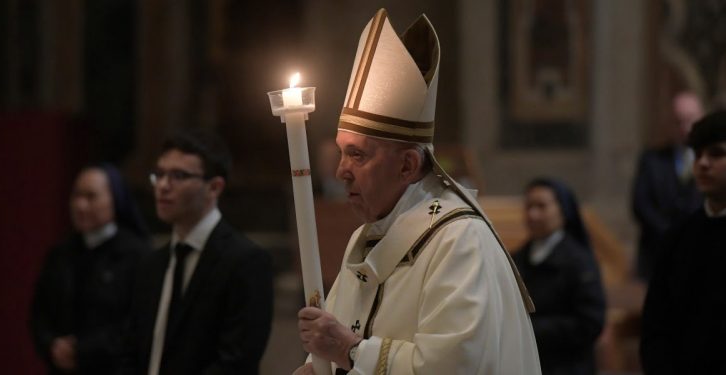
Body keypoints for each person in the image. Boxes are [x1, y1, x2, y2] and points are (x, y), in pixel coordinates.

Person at [294, 9, 541, 374]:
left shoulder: (459, 242)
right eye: (342, 151)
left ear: (408, 165)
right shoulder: (367, 237)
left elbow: (457, 366)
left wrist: (350, 351)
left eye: (357, 154)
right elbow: (330, 348)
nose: (341, 172)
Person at [122, 129, 273, 375]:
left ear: (214, 187)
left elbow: (237, 361)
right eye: (159, 175)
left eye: (178, 176)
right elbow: (131, 349)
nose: (162, 186)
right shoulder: (151, 264)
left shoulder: (246, 261)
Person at [30, 164, 151, 374]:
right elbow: (39, 314)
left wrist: (83, 351)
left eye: (91, 196)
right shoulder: (61, 254)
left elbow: (137, 323)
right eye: (76, 195)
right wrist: (52, 345)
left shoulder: (137, 255)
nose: (80, 205)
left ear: (115, 199)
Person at [640, 110, 726, 374]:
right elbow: (656, 326)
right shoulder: (678, 237)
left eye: (716, 153)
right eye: (697, 154)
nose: (702, 163)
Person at [512, 178, 606, 375]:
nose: (533, 214)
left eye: (541, 206)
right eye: (529, 206)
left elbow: (590, 322)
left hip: (568, 366)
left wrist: (531, 330)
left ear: (563, 210)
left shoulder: (579, 261)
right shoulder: (516, 259)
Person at [631, 91, 704, 281]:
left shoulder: (713, 160)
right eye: (678, 121)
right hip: (657, 254)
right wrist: (669, 234)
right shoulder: (652, 159)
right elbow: (640, 204)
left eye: (690, 120)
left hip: (702, 251)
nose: (684, 128)